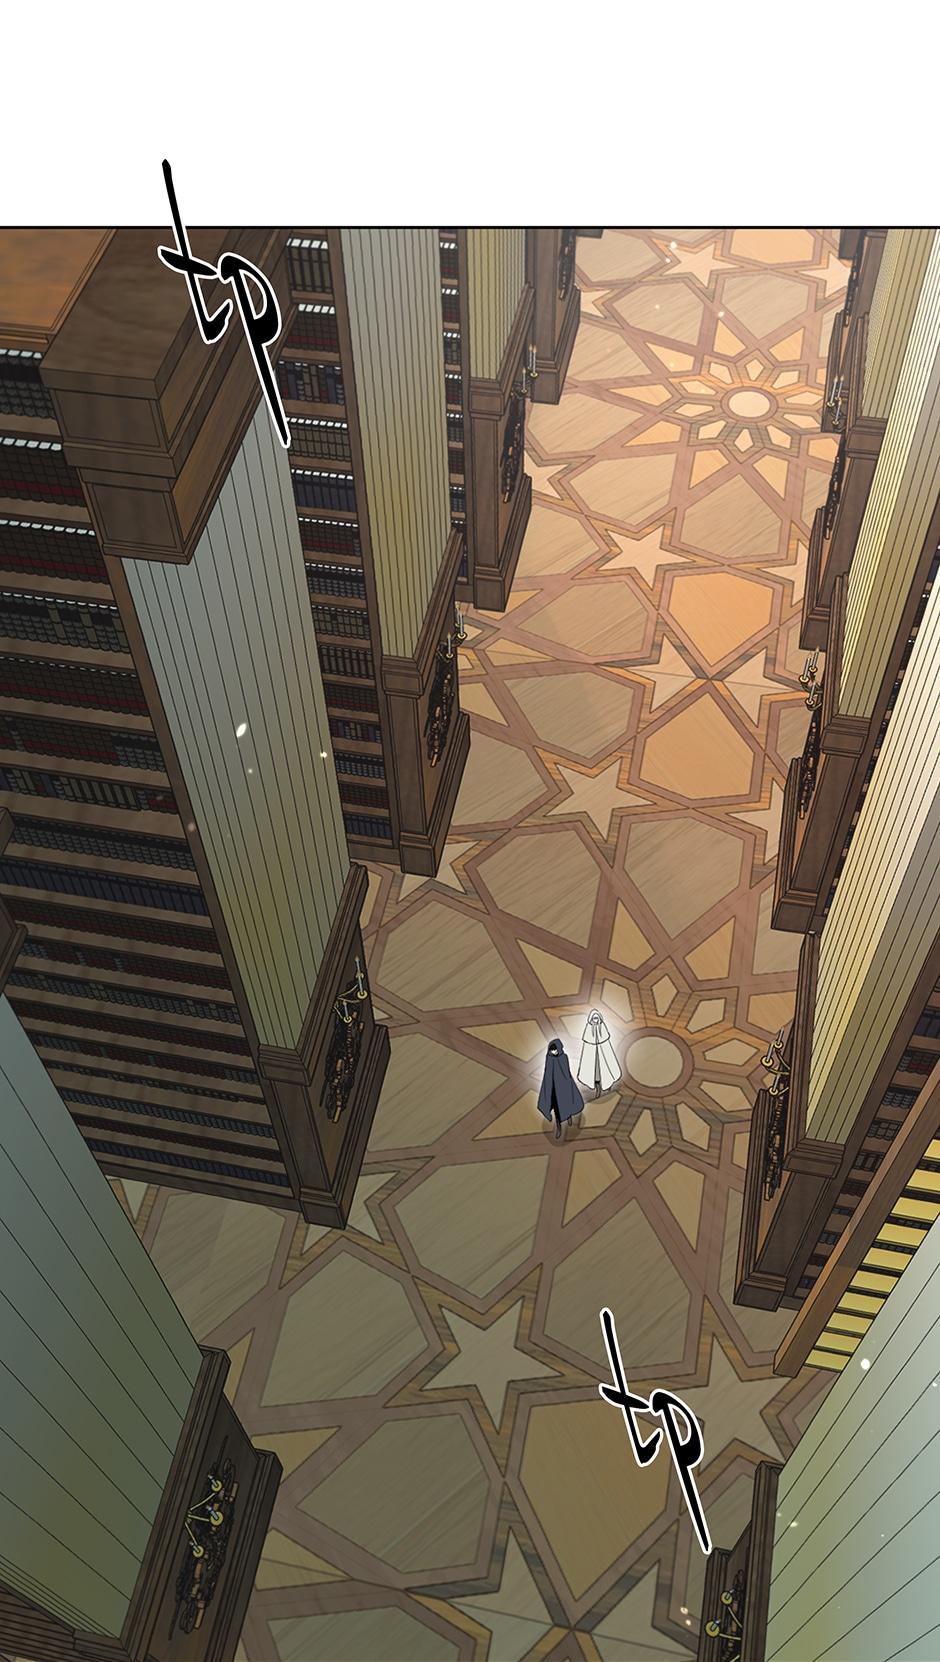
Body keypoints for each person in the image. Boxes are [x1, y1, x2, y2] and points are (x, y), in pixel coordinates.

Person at [537, 1039, 584, 1140]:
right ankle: (559, 1127)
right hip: (553, 1089)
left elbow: (566, 1072)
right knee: (557, 1111)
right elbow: (547, 1072)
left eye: (555, 1049)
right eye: (552, 1050)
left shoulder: (563, 1057)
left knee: (567, 1104)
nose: (554, 1052)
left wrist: (566, 1083)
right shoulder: (549, 1058)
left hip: (563, 1087)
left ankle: (569, 1117)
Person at [577, 1009, 621, 1098]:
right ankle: (598, 1088)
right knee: (595, 1074)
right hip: (593, 1056)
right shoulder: (588, 1028)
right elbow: (588, 1046)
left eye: (597, 1018)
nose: (596, 1020)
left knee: (606, 1070)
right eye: (594, 1019)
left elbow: (605, 1044)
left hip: (603, 1055)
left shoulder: (602, 1027)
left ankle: (607, 1085)